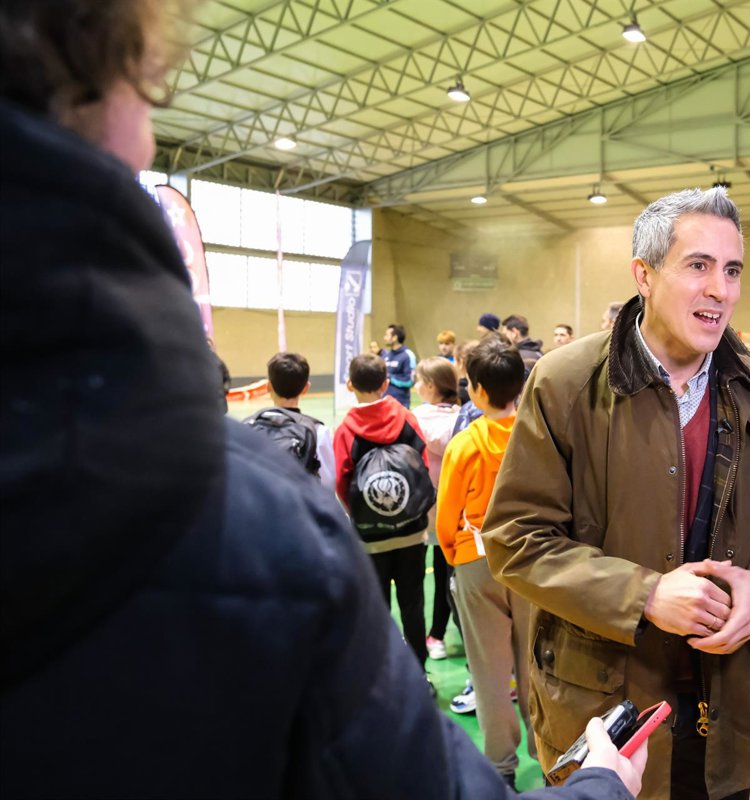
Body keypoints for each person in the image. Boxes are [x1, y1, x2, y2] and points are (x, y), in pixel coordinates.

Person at [0, 2, 644, 797]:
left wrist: (450, 541)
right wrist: (601, 785)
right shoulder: (254, 517)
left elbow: (412, 491)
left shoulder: (392, 455)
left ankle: (491, 724)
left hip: (455, 556)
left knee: (479, 653)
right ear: (106, 90)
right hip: (471, 563)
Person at [484, 187, 750, 799]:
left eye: (732, 270)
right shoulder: (566, 384)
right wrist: (643, 594)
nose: (720, 290)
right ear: (643, 275)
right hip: (609, 715)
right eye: (698, 265)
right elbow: (518, 538)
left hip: (730, 709)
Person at [436, 337, 535, 789]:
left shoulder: (465, 445)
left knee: (490, 675)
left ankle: (501, 769)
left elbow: (446, 516)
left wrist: (457, 556)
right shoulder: (537, 436)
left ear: (476, 389)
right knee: (536, 666)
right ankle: (549, 754)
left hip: (478, 560)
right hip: (533, 559)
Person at [334, 354, 433, 678]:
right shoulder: (406, 418)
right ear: (386, 383)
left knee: (377, 608)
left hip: (370, 538)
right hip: (411, 532)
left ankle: (383, 675)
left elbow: (341, 481)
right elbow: (422, 466)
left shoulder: (346, 429)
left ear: (350, 385)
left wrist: (359, 514)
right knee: (413, 604)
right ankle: (419, 674)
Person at [413, 357, 463, 661]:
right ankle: (440, 634)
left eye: (419, 380)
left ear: (431, 386)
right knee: (448, 575)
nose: (416, 385)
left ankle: (424, 636)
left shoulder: (414, 419)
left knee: (415, 578)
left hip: (421, 510)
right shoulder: (463, 418)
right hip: (453, 510)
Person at [251, 351, 336, 491]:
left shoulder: (248, 427)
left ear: (268, 387)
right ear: (306, 388)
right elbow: (328, 485)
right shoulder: (318, 432)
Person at [373, 323, 417, 407]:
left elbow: (409, 381)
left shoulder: (408, 355)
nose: (384, 338)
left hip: (400, 404)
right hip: (384, 402)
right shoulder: (386, 356)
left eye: (387, 335)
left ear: (395, 337)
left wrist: (390, 377)